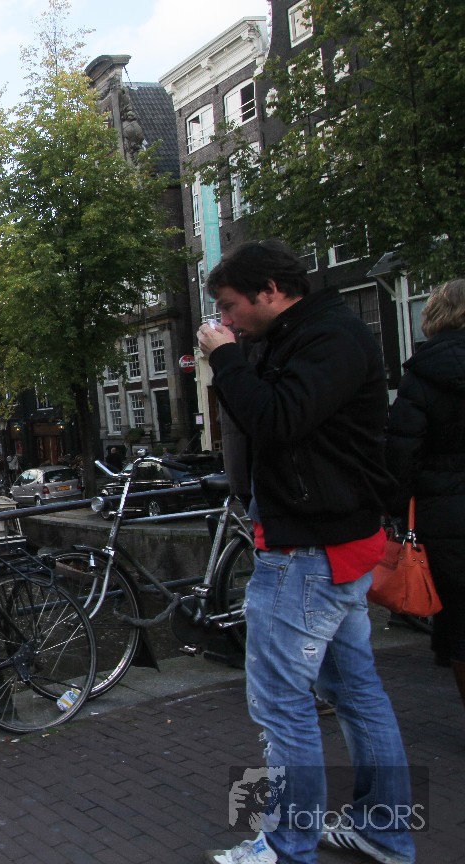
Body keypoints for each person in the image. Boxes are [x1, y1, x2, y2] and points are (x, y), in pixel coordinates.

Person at [196, 240, 414, 864]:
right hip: (329, 540)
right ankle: (381, 830)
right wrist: (238, 358)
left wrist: (227, 359)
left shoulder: (328, 339)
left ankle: (287, 846)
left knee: (281, 705)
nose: (227, 319)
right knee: (356, 692)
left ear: (270, 290)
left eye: (231, 305)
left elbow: (276, 420)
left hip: (307, 550)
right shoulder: (303, 335)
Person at [385, 279, 465, 699]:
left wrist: (396, 510)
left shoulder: (421, 376)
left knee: (460, 620)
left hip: (445, 514)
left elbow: (402, 453)